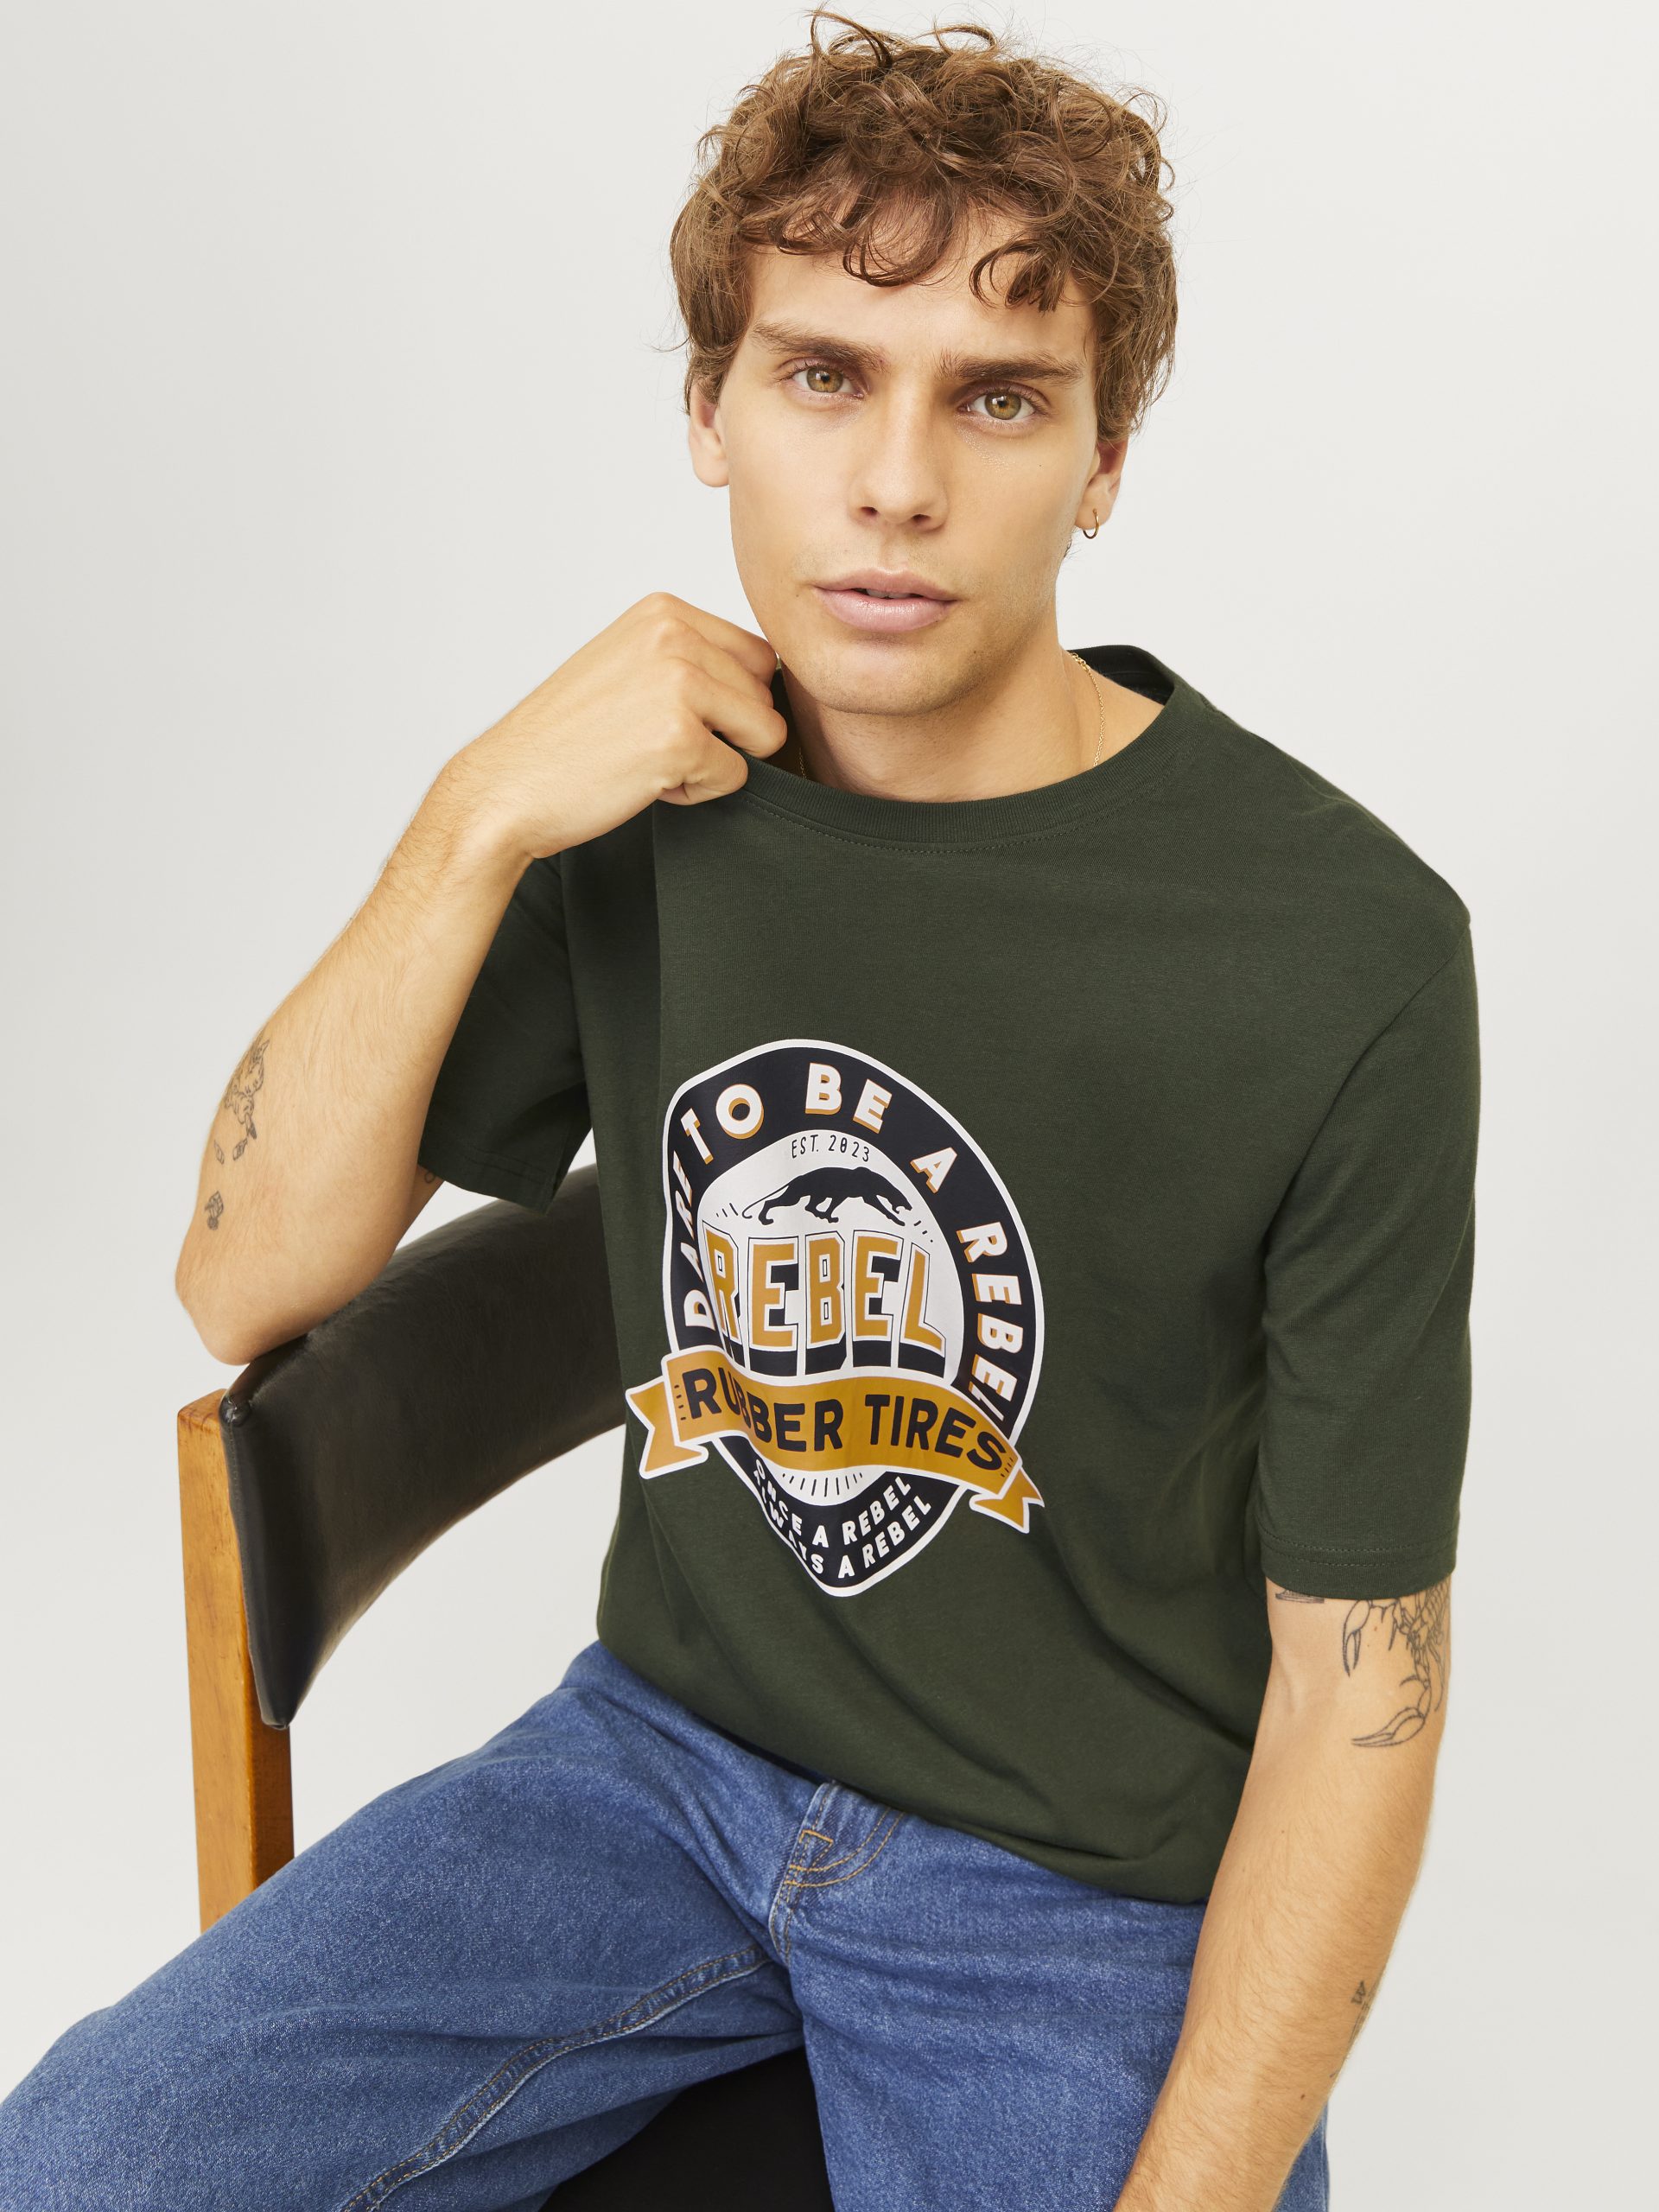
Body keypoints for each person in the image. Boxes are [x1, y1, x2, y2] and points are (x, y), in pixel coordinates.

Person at [0, 10, 1478, 2209]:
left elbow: (1362, 1694)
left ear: (1107, 455)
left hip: (1074, 1885)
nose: (896, 483)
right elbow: (242, 1281)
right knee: (76, 2165)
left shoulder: (1341, 946)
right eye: (821, 374)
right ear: (709, 411)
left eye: (998, 396)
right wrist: (476, 815)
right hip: (654, 1772)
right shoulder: (641, 794)